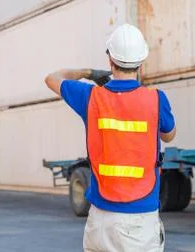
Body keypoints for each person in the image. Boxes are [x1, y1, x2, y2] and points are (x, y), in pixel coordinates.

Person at [45, 23, 176, 252]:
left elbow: (52, 78)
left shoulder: (90, 97)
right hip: (139, 221)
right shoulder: (156, 99)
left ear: (110, 60)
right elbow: (169, 135)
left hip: (100, 221)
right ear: (141, 62)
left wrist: (87, 73)